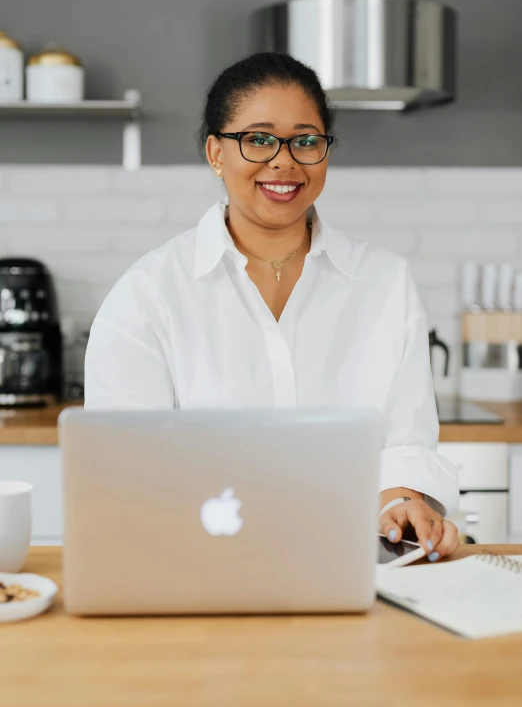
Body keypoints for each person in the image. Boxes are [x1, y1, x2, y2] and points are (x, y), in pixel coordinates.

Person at [85, 52, 460, 561]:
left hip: (360, 571)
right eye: (258, 139)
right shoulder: (148, 293)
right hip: (198, 570)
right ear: (216, 152)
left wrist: (401, 501)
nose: (284, 161)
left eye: (306, 140)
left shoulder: (386, 282)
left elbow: (407, 443)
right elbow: (125, 471)